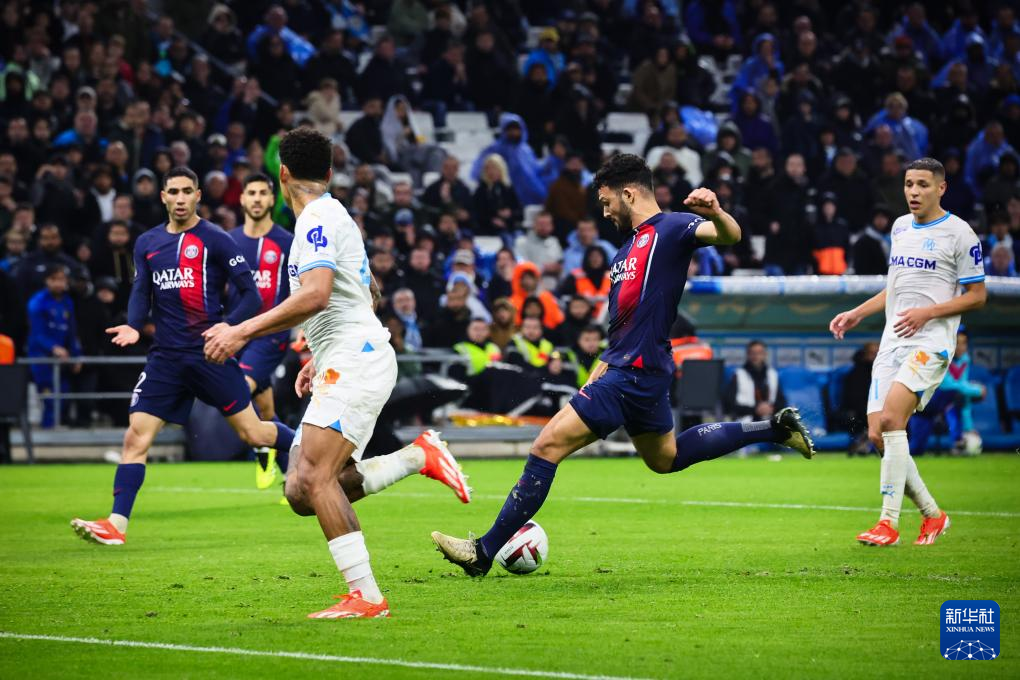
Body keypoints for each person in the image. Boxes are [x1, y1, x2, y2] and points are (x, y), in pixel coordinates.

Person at [430, 154, 815, 576]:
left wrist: (716, 212)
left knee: (546, 447)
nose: (605, 211)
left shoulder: (672, 227)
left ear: (628, 193)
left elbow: (730, 236)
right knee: (665, 458)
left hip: (634, 373)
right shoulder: (625, 250)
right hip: (634, 369)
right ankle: (776, 430)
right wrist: (599, 369)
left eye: (607, 201)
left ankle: (482, 553)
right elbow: (622, 329)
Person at [202, 129, 471, 619]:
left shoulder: (317, 218)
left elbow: (317, 294)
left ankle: (366, 596)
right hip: (346, 356)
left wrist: (241, 331)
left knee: (313, 476)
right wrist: (320, 354)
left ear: (283, 173)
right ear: (328, 172)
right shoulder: (331, 215)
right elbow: (364, 294)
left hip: (356, 358)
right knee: (299, 491)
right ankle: (417, 457)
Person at [70, 167, 295, 546]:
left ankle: (310, 447)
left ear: (197, 196)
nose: (179, 198)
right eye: (173, 191)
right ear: (163, 196)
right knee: (135, 437)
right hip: (166, 360)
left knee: (254, 432)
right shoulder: (148, 242)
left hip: (209, 355)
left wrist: (228, 327)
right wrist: (134, 325)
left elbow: (251, 296)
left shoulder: (217, 239)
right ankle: (116, 524)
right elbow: (141, 290)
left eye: (186, 191)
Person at [829, 157, 987, 547]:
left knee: (891, 420)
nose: (913, 192)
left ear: (941, 188)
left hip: (931, 342)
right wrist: (857, 313)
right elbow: (896, 287)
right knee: (877, 433)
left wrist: (926, 313)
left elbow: (977, 296)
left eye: (922, 185)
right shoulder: (900, 227)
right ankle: (933, 514)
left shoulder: (960, 234)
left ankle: (888, 523)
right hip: (892, 340)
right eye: (909, 184)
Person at [227, 172, 295, 491]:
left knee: (238, 388)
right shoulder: (228, 241)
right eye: (251, 193)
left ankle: (261, 447)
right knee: (266, 410)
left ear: (272, 199)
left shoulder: (287, 243)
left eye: (262, 193)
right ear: (242, 199)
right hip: (235, 335)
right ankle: (293, 476)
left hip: (271, 334)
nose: (256, 198)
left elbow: (302, 289)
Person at [27, 265, 81, 427]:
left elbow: (72, 331)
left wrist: (76, 355)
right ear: (46, 281)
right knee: (48, 395)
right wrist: (53, 347)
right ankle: (48, 430)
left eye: (62, 280)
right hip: (41, 357)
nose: (58, 283)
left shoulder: (67, 301)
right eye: (54, 279)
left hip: (62, 357)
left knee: (63, 393)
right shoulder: (38, 302)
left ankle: (55, 428)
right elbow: (37, 333)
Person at [724, 340, 786, 423]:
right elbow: (729, 405)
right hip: (745, 423)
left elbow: (782, 402)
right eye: (753, 353)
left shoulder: (773, 374)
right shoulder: (738, 374)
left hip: (770, 422)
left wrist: (771, 408)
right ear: (748, 355)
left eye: (759, 353)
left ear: (765, 354)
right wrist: (755, 410)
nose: (756, 356)